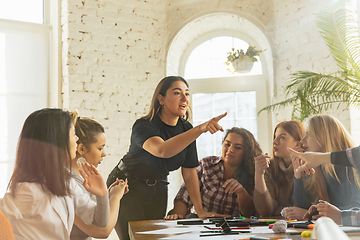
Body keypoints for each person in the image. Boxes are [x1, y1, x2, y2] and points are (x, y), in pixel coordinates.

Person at [106, 76, 227, 240]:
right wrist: (201, 129)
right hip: (127, 187)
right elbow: (162, 150)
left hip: (158, 190)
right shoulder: (143, 125)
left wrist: (199, 210)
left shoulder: (187, 129)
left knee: (153, 239)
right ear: (161, 99)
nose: (185, 98)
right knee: (132, 238)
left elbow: (190, 172)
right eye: (177, 93)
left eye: (187, 94)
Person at [0, 108, 110, 239]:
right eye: (73, 134)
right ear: (57, 141)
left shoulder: (66, 182)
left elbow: (99, 223)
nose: (76, 139)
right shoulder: (28, 191)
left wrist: (102, 194)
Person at [164, 127, 262, 220]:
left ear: (246, 152)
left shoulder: (253, 174)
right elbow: (184, 195)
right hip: (199, 221)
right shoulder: (205, 165)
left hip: (231, 226)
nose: (230, 150)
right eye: (227, 144)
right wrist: (177, 216)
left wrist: (241, 191)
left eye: (238, 147)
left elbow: (249, 212)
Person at [69, 111, 129, 240]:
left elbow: (91, 211)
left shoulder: (81, 178)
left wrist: (106, 194)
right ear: (81, 149)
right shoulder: (68, 183)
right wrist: (114, 196)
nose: (104, 154)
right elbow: (103, 231)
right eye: (100, 148)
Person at [292, 115, 360, 216]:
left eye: (308, 134)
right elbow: (301, 208)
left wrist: (326, 212)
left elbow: (357, 207)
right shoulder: (318, 167)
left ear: (325, 136)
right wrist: (297, 172)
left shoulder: (353, 165)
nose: (302, 141)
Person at [253, 120, 304, 217]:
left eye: (282, 137)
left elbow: (301, 209)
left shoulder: (308, 167)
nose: (274, 142)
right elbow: (265, 211)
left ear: (297, 144)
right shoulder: (269, 166)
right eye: (275, 137)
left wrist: (279, 209)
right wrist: (259, 174)